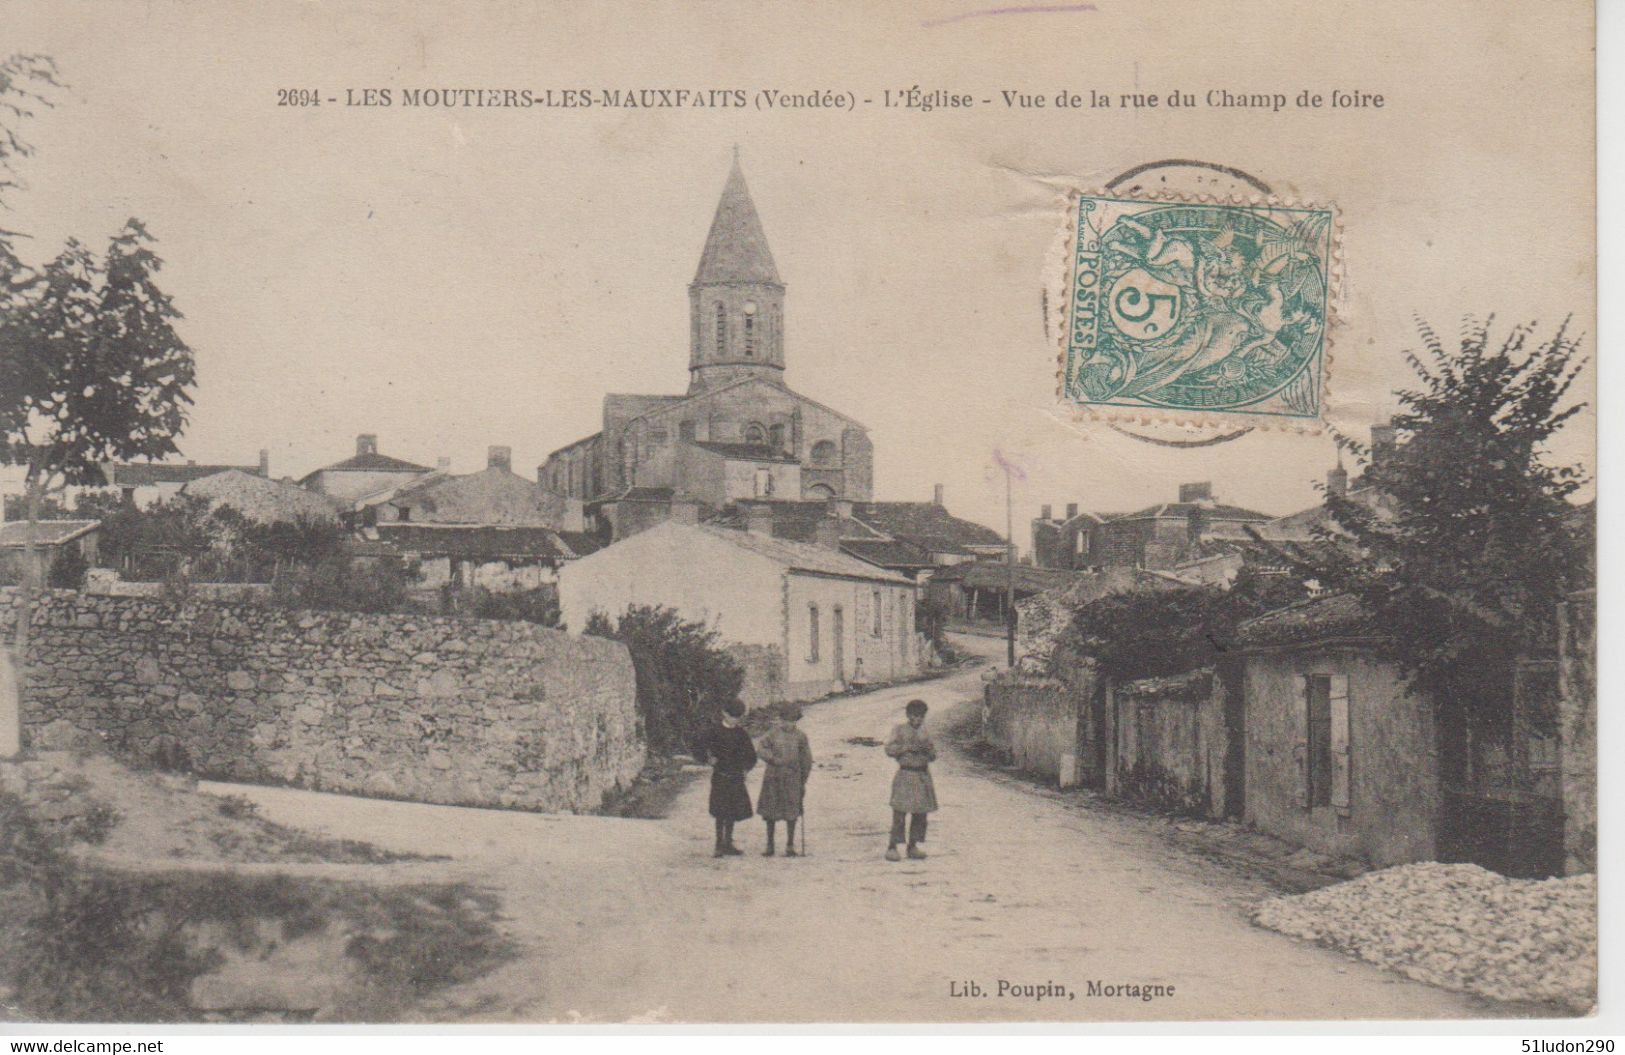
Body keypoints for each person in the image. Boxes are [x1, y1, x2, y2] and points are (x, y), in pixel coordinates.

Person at [700, 699, 757, 857]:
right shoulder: (713, 731)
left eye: (738, 717)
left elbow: (751, 755)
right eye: (733, 716)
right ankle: (718, 844)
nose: (735, 720)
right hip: (720, 776)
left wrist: (746, 768)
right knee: (720, 810)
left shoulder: (741, 734)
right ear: (724, 714)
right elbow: (699, 745)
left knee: (732, 810)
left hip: (736, 777)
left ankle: (728, 843)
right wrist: (707, 758)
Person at [756, 702, 814, 857]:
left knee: (792, 812)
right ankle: (770, 844)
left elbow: (806, 759)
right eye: (787, 720)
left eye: (793, 720)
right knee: (770, 812)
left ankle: (790, 845)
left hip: (792, 778)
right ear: (780, 720)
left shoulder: (801, 737)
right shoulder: (772, 734)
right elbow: (761, 748)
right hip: (773, 777)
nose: (790, 724)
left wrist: (803, 778)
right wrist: (772, 758)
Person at [884, 699, 937, 861]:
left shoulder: (925, 732)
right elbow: (889, 749)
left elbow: (934, 755)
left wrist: (928, 750)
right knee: (900, 812)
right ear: (908, 715)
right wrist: (905, 748)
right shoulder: (899, 730)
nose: (918, 720)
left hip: (922, 775)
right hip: (906, 775)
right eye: (915, 716)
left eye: (921, 717)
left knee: (920, 813)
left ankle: (913, 846)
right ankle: (892, 847)